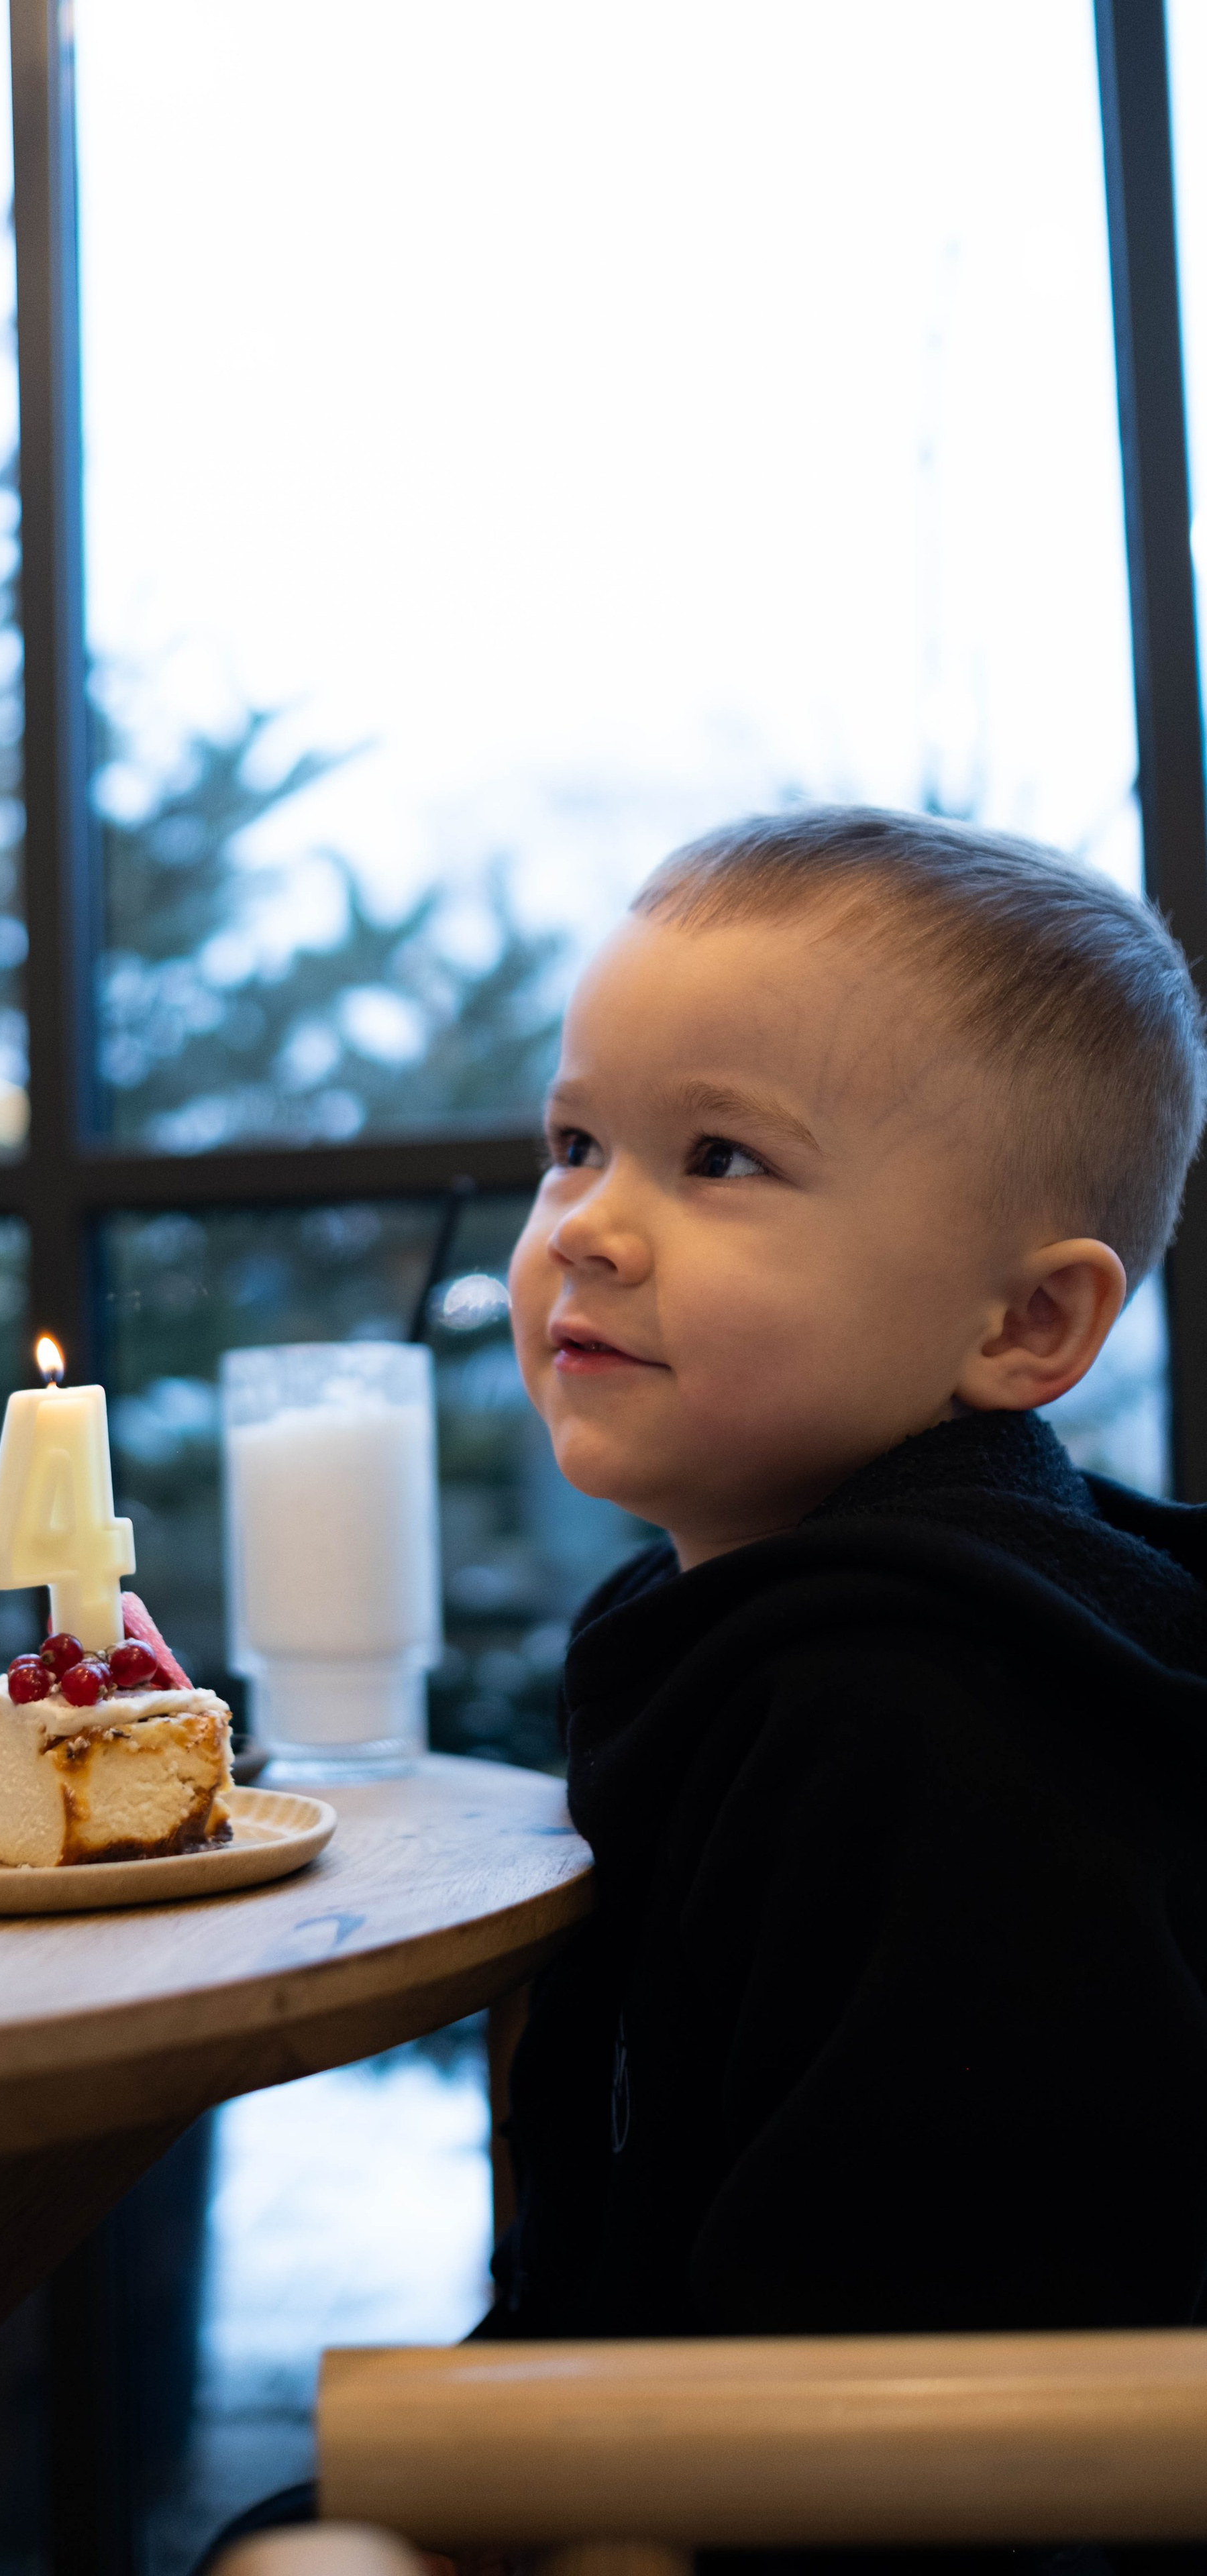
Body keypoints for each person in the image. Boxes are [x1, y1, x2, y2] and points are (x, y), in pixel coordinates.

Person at [490, 804, 1207, 2353]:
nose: (588, 1229)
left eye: (719, 1159)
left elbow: (940, 2376)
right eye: (573, 1146)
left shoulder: (936, 1715)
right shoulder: (703, 1627)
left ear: (1022, 1326)